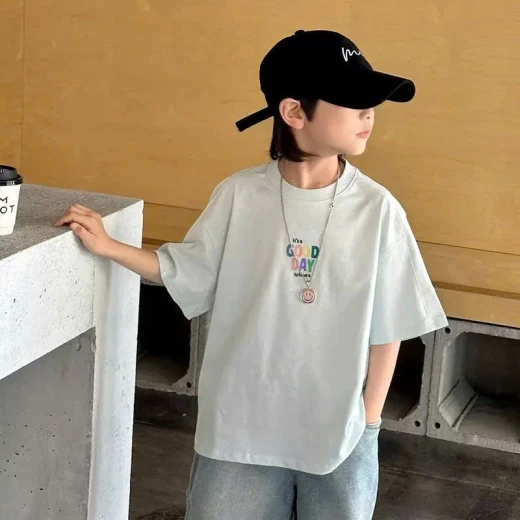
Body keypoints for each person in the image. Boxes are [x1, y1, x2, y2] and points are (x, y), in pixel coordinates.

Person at [56, 29, 448, 520]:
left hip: (337, 432)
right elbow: (184, 270)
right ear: (294, 112)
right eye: (352, 101)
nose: (369, 113)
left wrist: (368, 421)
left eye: (371, 102)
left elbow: (390, 326)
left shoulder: (378, 210)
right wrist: (108, 245)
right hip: (238, 427)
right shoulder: (239, 195)